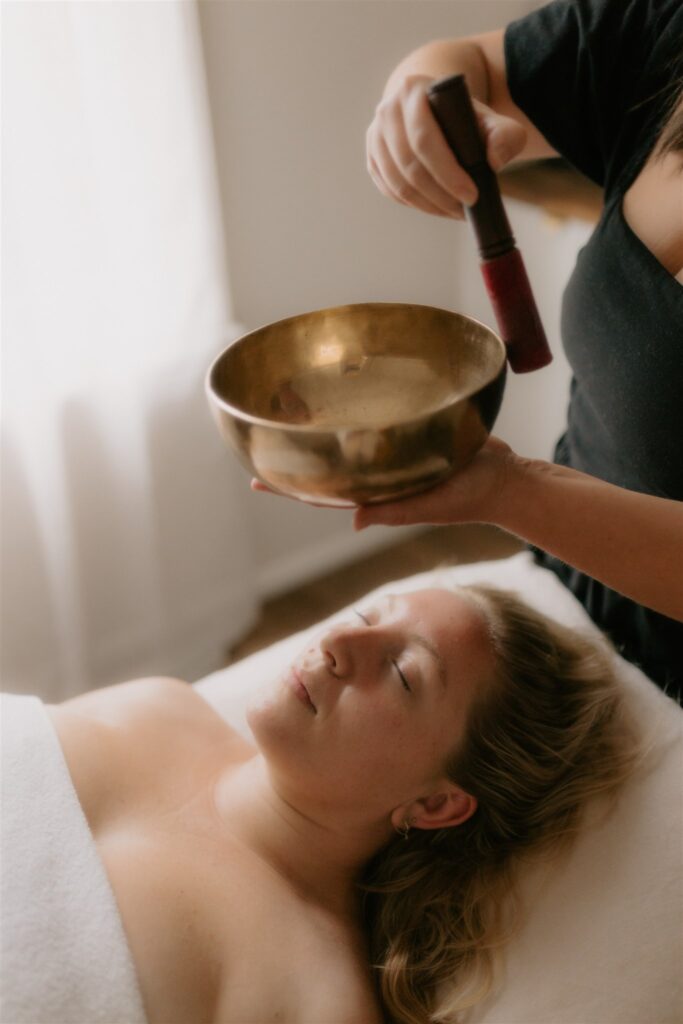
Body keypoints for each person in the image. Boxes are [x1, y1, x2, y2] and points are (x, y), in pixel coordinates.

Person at [24, 584, 635, 1024]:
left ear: (436, 804)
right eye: (369, 614)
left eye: (401, 673)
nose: (338, 641)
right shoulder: (157, 704)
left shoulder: (310, 995)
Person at [353, 0, 683, 699]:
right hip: (562, 602)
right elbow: (465, 64)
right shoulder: (666, 32)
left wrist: (511, 491)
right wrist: (416, 101)